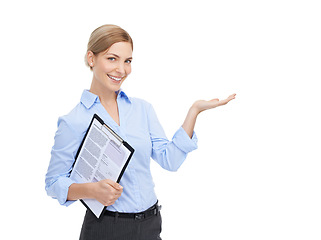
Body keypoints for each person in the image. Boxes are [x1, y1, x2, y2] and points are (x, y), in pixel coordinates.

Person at [45, 24, 236, 240]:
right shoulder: (74, 121)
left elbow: (170, 160)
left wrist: (194, 111)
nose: (121, 69)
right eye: (112, 59)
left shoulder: (142, 109)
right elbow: (53, 183)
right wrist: (92, 191)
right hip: (106, 229)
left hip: (150, 225)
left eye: (127, 61)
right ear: (91, 59)